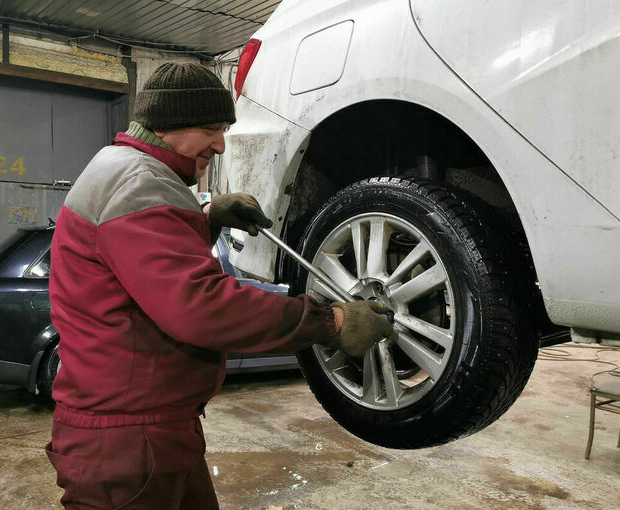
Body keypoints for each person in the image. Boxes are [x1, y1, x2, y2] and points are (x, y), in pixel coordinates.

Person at [45, 62, 393, 510]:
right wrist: (331, 320)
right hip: (128, 443)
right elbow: (201, 308)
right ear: (167, 125)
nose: (221, 144)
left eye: (225, 128)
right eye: (209, 128)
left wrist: (204, 219)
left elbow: (139, 268)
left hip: (152, 430)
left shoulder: (123, 168)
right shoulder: (139, 186)